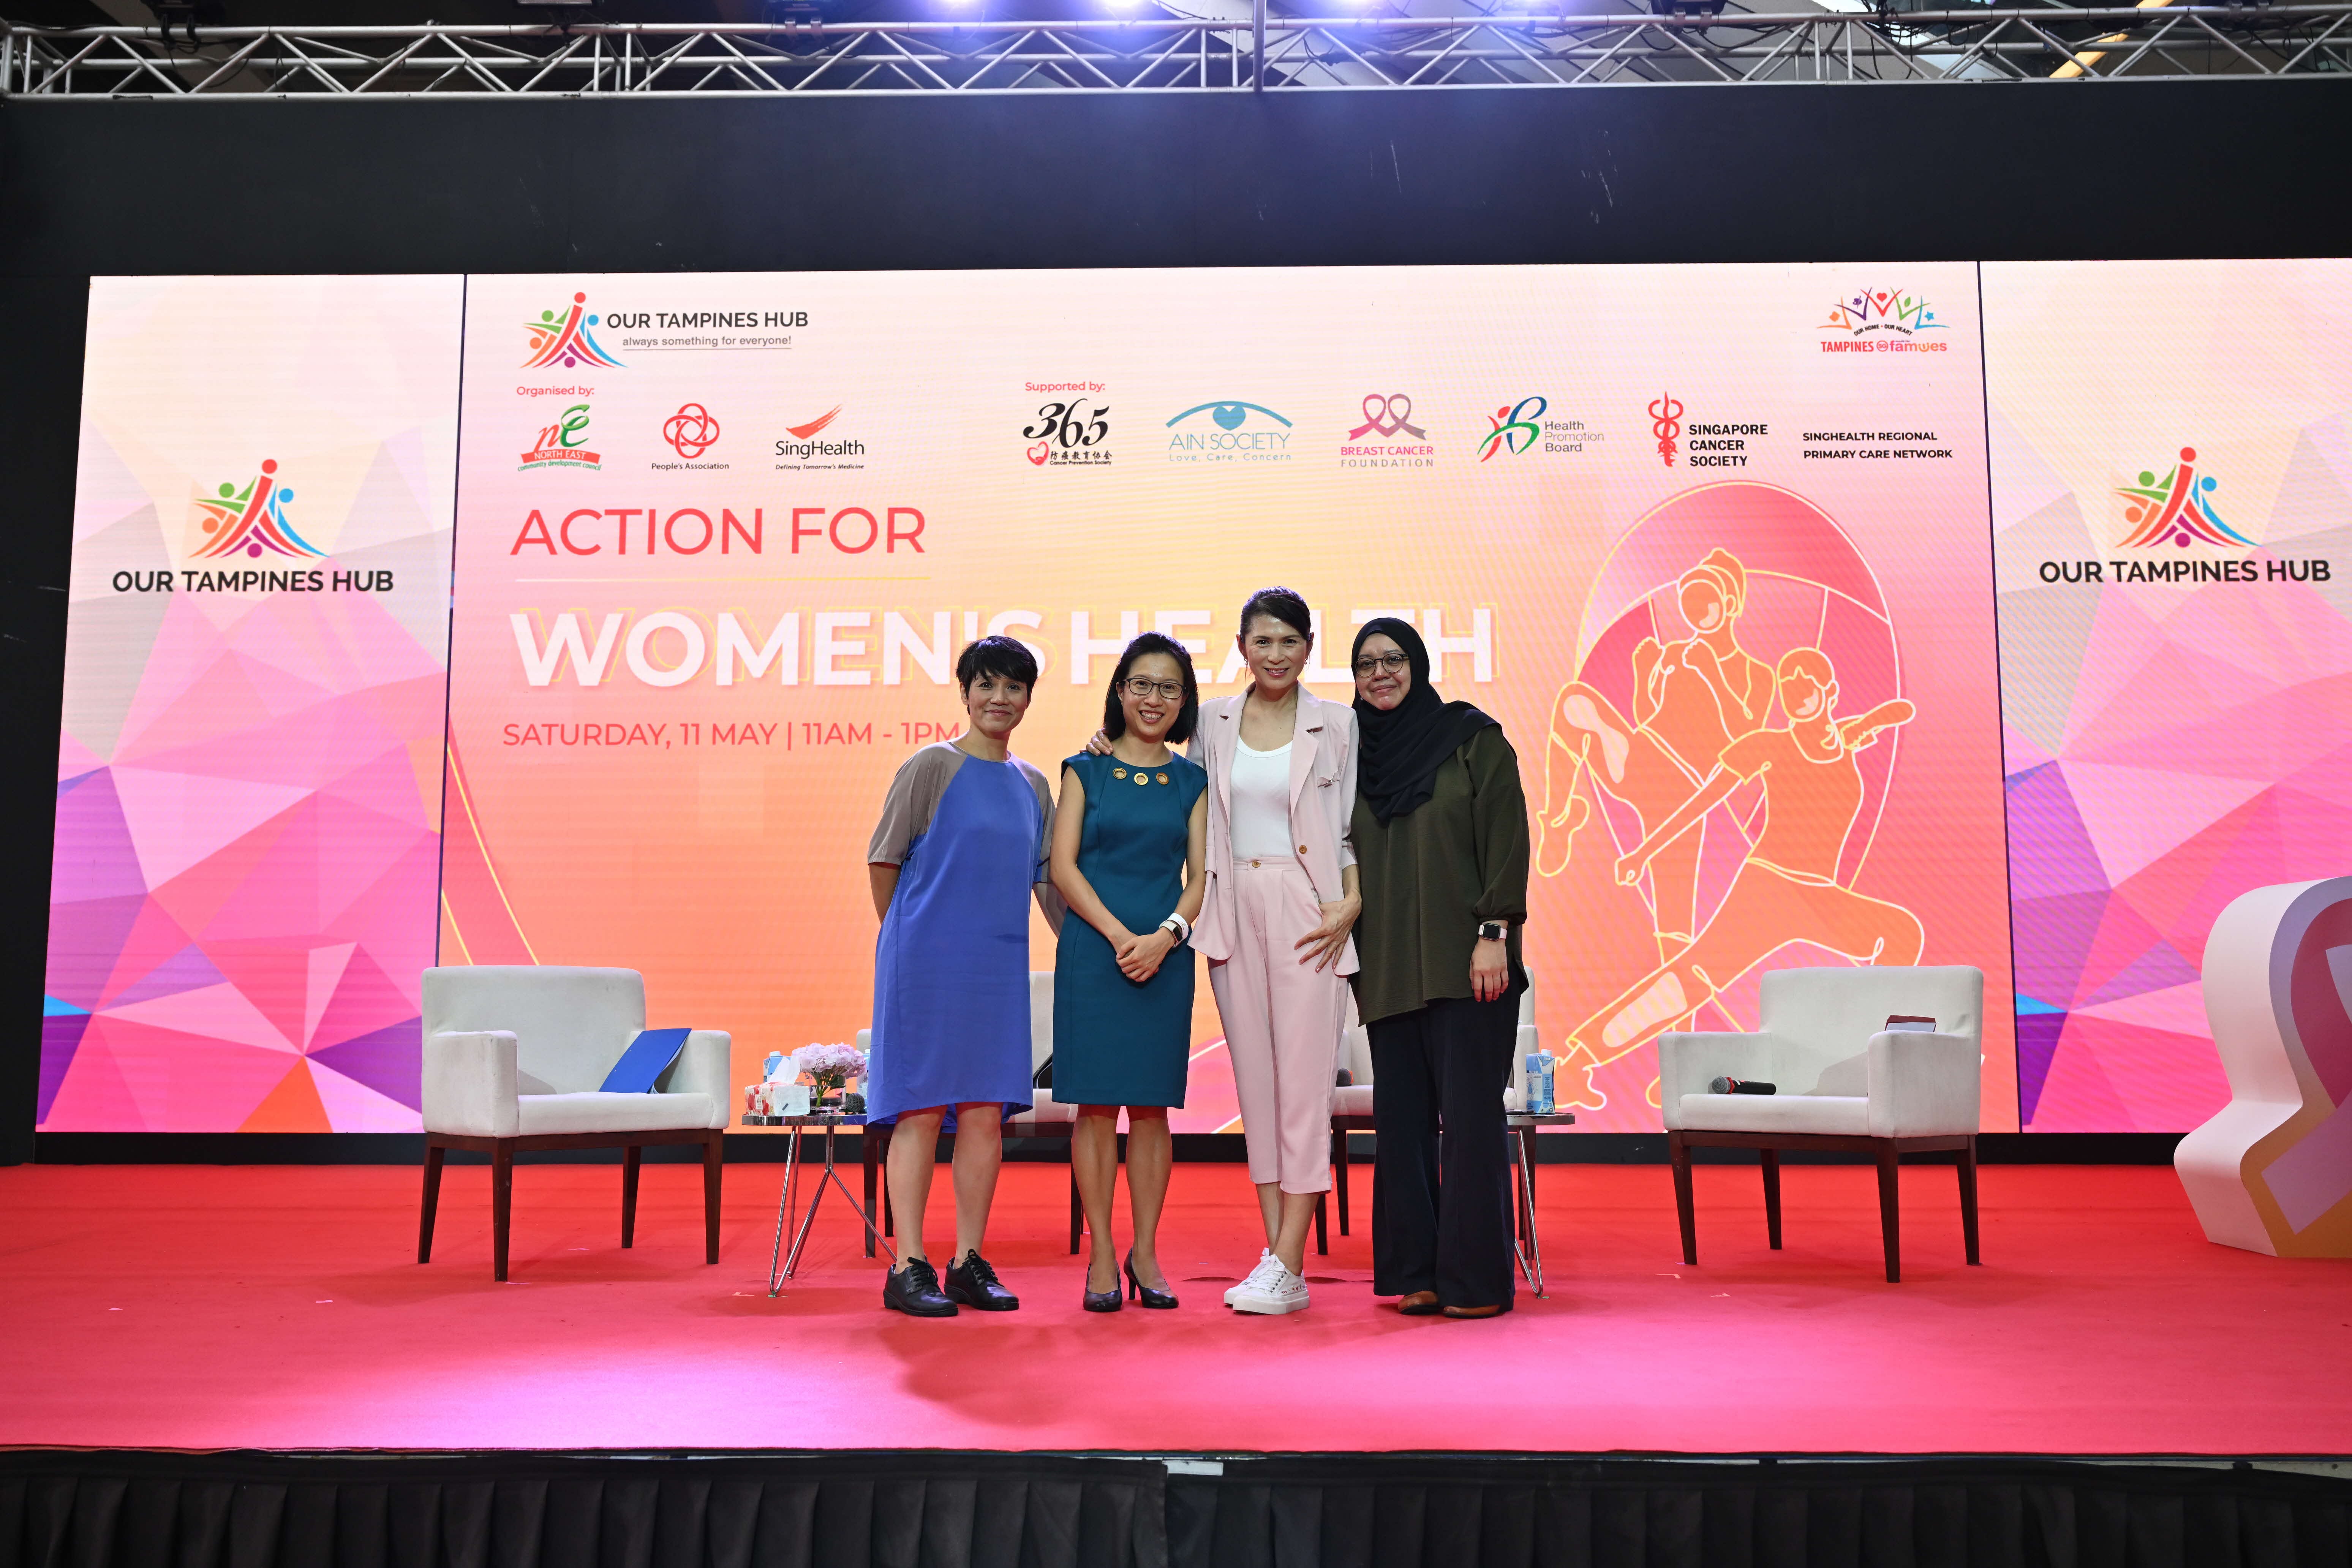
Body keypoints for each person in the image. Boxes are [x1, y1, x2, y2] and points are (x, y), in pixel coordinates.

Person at [1562, 645, 1921, 1064]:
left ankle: (1874, 1052)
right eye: (1787, 684)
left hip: (1819, 897)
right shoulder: (1767, 745)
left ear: (1830, 691)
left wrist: (1867, 723)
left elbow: (1899, 712)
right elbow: (1702, 802)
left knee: (1901, 934)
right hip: (1768, 888)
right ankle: (1583, 1055)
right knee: (1692, 977)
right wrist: (1643, 853)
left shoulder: (1843, 742)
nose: (1795, 691)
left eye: (1806, 682)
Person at [865, 636, 1061, 1318]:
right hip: (924, 965)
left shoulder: (1034, 785)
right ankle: (908, 1264)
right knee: (919, 1109)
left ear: (1028, 698)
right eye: (987, 685)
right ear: (965, 692)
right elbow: (884, 860)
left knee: (984, 1113)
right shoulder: (931, 765)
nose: (999, 698)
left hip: (997, 969)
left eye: (1013, 687)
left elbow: (1047, 882)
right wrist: (909, 940)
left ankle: (967, 1261)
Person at [1347, 618, 1531, 1319]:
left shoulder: (1472, 739)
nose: (1381, 673)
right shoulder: (1351, 756)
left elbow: (1507, 837)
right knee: (1400, 1127)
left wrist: (1495, 931)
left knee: (1472, 1123)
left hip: (1470, 963)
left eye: (1393, 659)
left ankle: (1475, 1281)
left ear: (1418, 665)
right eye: (1366, 664)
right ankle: (1416, 1273)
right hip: (1388, 964)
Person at [1197, 588, 1361, 1316]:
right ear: (1241, 646)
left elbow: (1355, 828)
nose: (1275, 654)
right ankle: (1279, 1261)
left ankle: (1287, 1258)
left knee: (1303, 1090)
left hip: (1309, 907)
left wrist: (1351, 899)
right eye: (1262, 641)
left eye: (1289, 641)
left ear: (1308, 647)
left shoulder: (1339, 723)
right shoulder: (1211, 720)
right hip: (1232, 905)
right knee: (1257, 1090)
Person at [1050, 634, 1209, 1312]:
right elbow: (1063, 867)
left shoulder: (1192, 781)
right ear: (1120, 690)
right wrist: (1121, 937)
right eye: (1141, 684)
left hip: (1165, 957)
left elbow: (1200, 878)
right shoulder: (1083, 769)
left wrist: (1165, 938)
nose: (1153, 698)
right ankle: (1101, 1254)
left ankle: (1145, 1252)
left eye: (1168, 687)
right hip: (1095, 954)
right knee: (1094, 1108)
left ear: (1184, 700)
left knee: (1151, 1110)